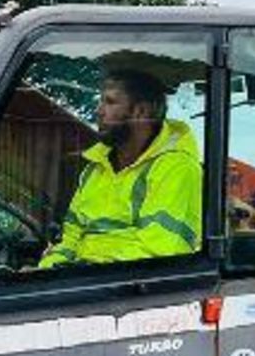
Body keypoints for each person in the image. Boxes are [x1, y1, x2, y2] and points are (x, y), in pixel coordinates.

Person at [37, 67, 203, 268]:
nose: (99, 111)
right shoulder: (94, 170)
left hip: (133, 293)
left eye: (110, 102)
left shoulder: (177, 169)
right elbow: (69, 242)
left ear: (141, 112)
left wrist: (80, 273)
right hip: (84, 284)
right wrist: (45, 273)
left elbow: (159, 255)